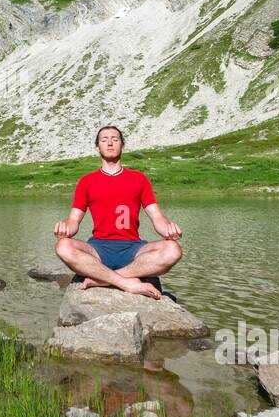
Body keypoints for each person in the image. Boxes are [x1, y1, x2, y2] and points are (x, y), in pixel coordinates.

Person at [53, 125, 182, 300]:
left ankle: (103, 280)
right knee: (63, 246)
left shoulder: (139, 179)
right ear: (98, 147)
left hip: (133, 248)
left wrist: (168, 229)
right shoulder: (87, 181)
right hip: (98, 249)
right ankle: (126, 282)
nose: (110, 143)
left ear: (122, 145)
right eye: (104, 140)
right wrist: (65, 228)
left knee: (173, 250)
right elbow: (74, 220)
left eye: (115, 139)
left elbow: (157, 217)